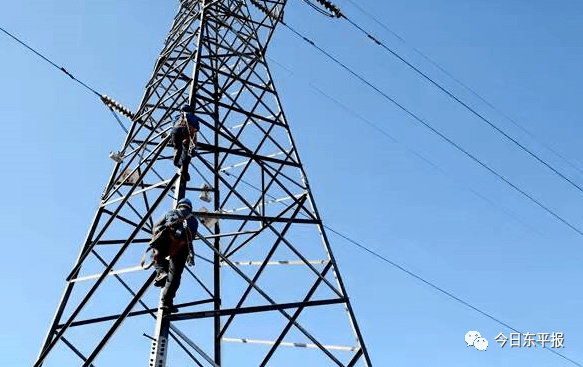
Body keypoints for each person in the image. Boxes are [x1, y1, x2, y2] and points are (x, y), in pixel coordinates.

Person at [151, 198, 198, 313]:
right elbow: (192, 237)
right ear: (189, 208)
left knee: (156, 255)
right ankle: (167, 303)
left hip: (168, 240)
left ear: (179, 205)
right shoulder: (194, 220)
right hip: (182, 247)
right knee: (175, 275)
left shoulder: (170, 212)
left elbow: (155, 227)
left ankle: (162, 272)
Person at [172, 104, 200, 169]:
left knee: (177, 147)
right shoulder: (192, 116)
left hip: (175, 130)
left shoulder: (177, 116)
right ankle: (184, 164)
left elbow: (173, 123)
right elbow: (197, 127)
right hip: (186, 130)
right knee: (189, 149)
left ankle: (176, 161)